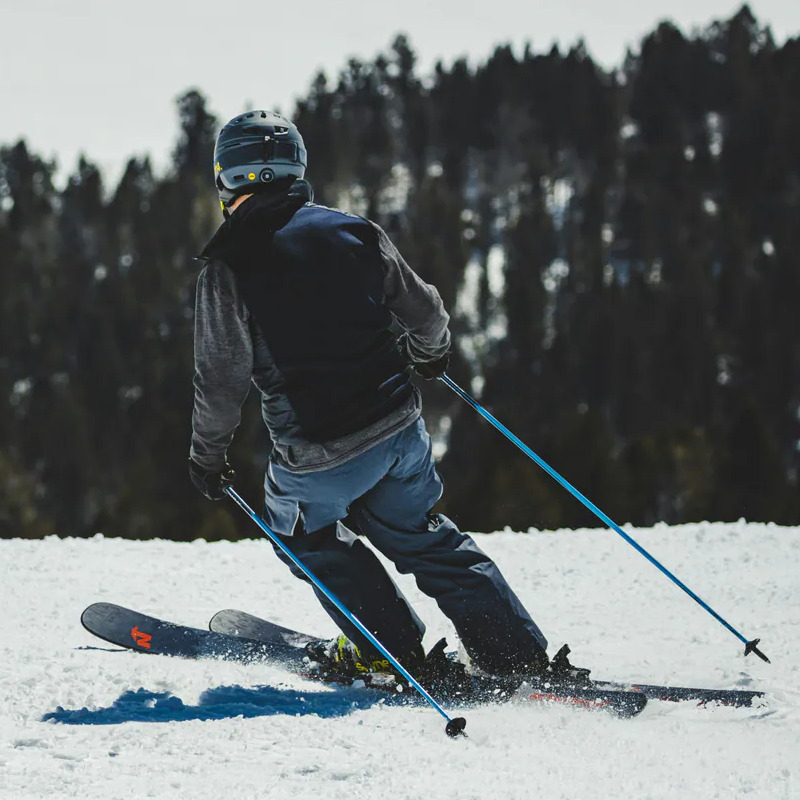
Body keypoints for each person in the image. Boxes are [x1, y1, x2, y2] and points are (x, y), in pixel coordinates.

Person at [188, 109, 554, 685]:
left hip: (318, 453)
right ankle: (519, 657)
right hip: (399, 432)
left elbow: (220, 379)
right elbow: (426, 310)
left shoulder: (227, 268)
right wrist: (431, 353)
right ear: (297, 168)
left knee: (302, 537)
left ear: (225, 178)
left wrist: (207, 456)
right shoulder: (353, 231)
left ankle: (389, 652)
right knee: (426, 539)